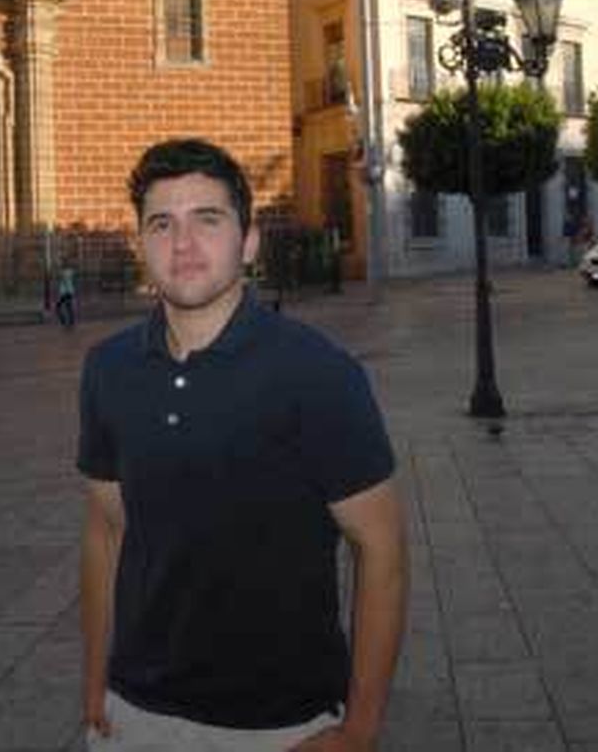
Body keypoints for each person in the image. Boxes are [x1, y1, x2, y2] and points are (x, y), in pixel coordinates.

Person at [77, 138, 407, 752]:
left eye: (208, 219)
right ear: (140, 243)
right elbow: (105, 530)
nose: (183, 245)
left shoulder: (318, 373)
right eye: (161, 224)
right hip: (133, 715)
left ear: (248, 241)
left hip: (280, 726)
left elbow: (381, 548)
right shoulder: (108, 369)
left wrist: (359, 730)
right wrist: (96, 682)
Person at [56, 263, 78, 330]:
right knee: (68, 307)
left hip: (66, 292)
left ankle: (65, 321)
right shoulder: (70, 272)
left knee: (59, 307)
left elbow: (65, 280)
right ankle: (70, 322)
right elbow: (73, 281)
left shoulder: (64, 273)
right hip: (68, 292)